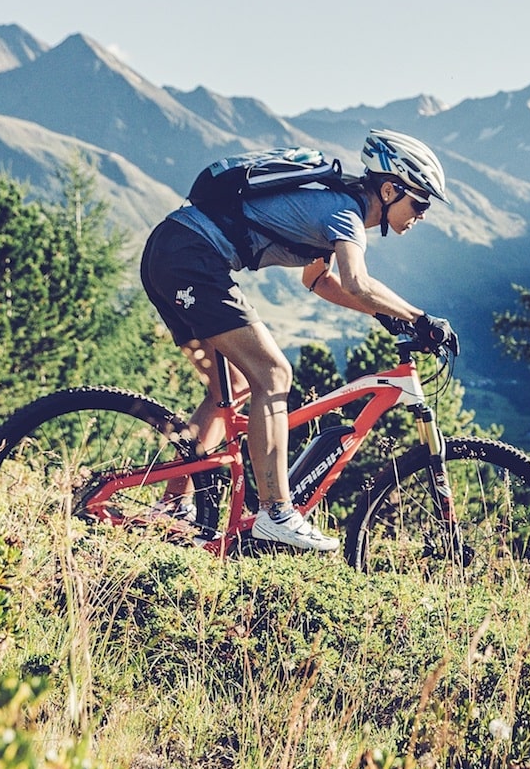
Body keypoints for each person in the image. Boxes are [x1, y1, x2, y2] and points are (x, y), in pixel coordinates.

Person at [138, 130, 456, 550]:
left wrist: (386, 315)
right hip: (192, 258)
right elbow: (357, 283)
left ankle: (173, 505)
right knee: (273, 374)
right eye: (419, 202)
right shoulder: (344, 212)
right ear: (389, 188)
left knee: (228, 389)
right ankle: (276, 513)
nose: (422, 213)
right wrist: (420, 319)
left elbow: (320, 281)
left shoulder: (338, 206)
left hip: (171, 251)